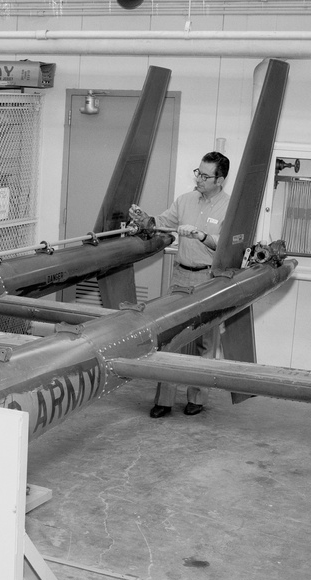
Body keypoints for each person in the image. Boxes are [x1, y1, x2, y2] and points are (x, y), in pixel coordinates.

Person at [128, 151, 231, 419]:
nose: (199, 179)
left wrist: (202, 235)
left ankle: (197, 398)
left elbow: (228, 244)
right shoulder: (184, 200)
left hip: (210, 278)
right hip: (181, 277)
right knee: (169, 337)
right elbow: (162, 223)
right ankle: (164, 400)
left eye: (205, 176)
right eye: (198, 173)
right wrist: (144, 219)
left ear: (220, 180)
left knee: (205, 342)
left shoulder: (230, 208)